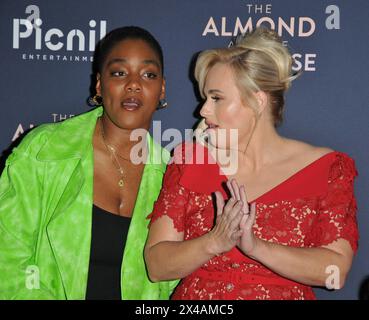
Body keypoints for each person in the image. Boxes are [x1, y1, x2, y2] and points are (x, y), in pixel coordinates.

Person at [144, 27, 359, 300]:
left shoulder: (325, 169)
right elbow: (156, 265)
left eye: (216, 98)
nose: (203, 110)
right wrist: (213, 242)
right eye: (205, 98)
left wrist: (256, 247)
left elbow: (335, 271)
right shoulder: (190, 161)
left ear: (257, 101)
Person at [0, 26, 177, 300]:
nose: (133, 84)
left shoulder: (171, 176)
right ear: (99, 84)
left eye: (148, 74)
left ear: (161, 88)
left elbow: (171, 284)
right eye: (119, 73)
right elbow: (7, 259)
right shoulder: (45, 149)